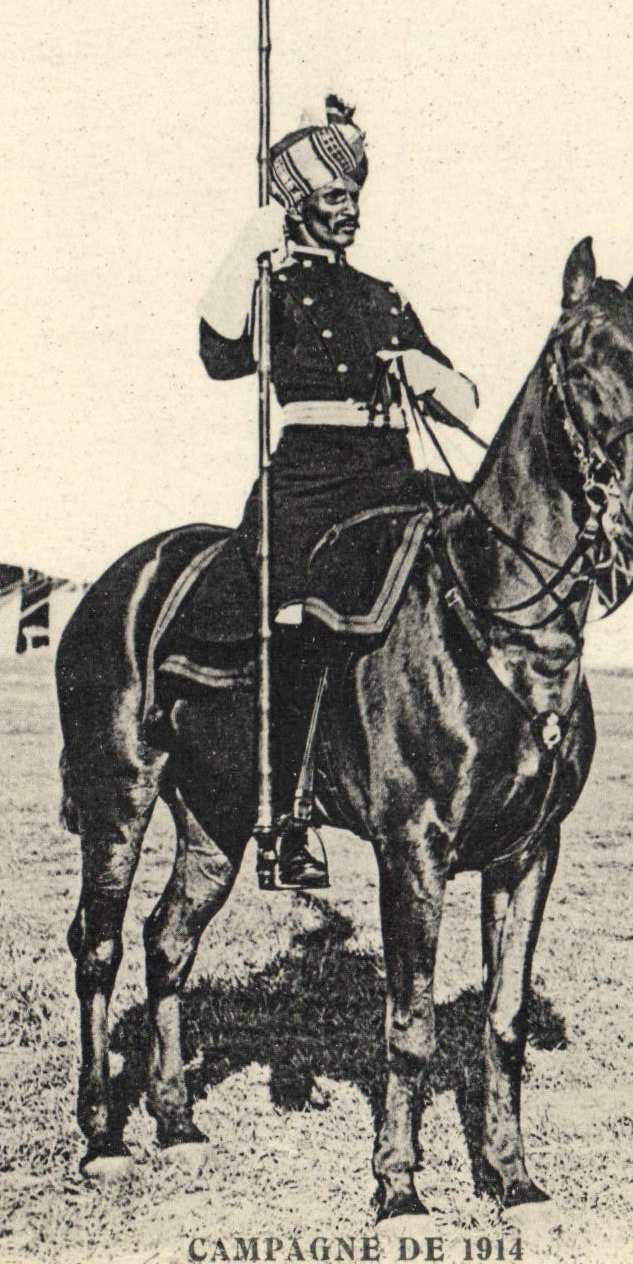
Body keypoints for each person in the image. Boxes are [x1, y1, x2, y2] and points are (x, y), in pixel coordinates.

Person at [197, 96, 478, 886]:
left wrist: (432, 376)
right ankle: (287, 813)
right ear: (297, 209)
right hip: (314, 479)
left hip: (392, 470)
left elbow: (463, 398)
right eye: (330, 197)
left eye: (353, 194)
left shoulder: (384, 294)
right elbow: (219, 353)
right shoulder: (277, 288)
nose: (348, 208)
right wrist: (245, 246)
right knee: (297, 614)